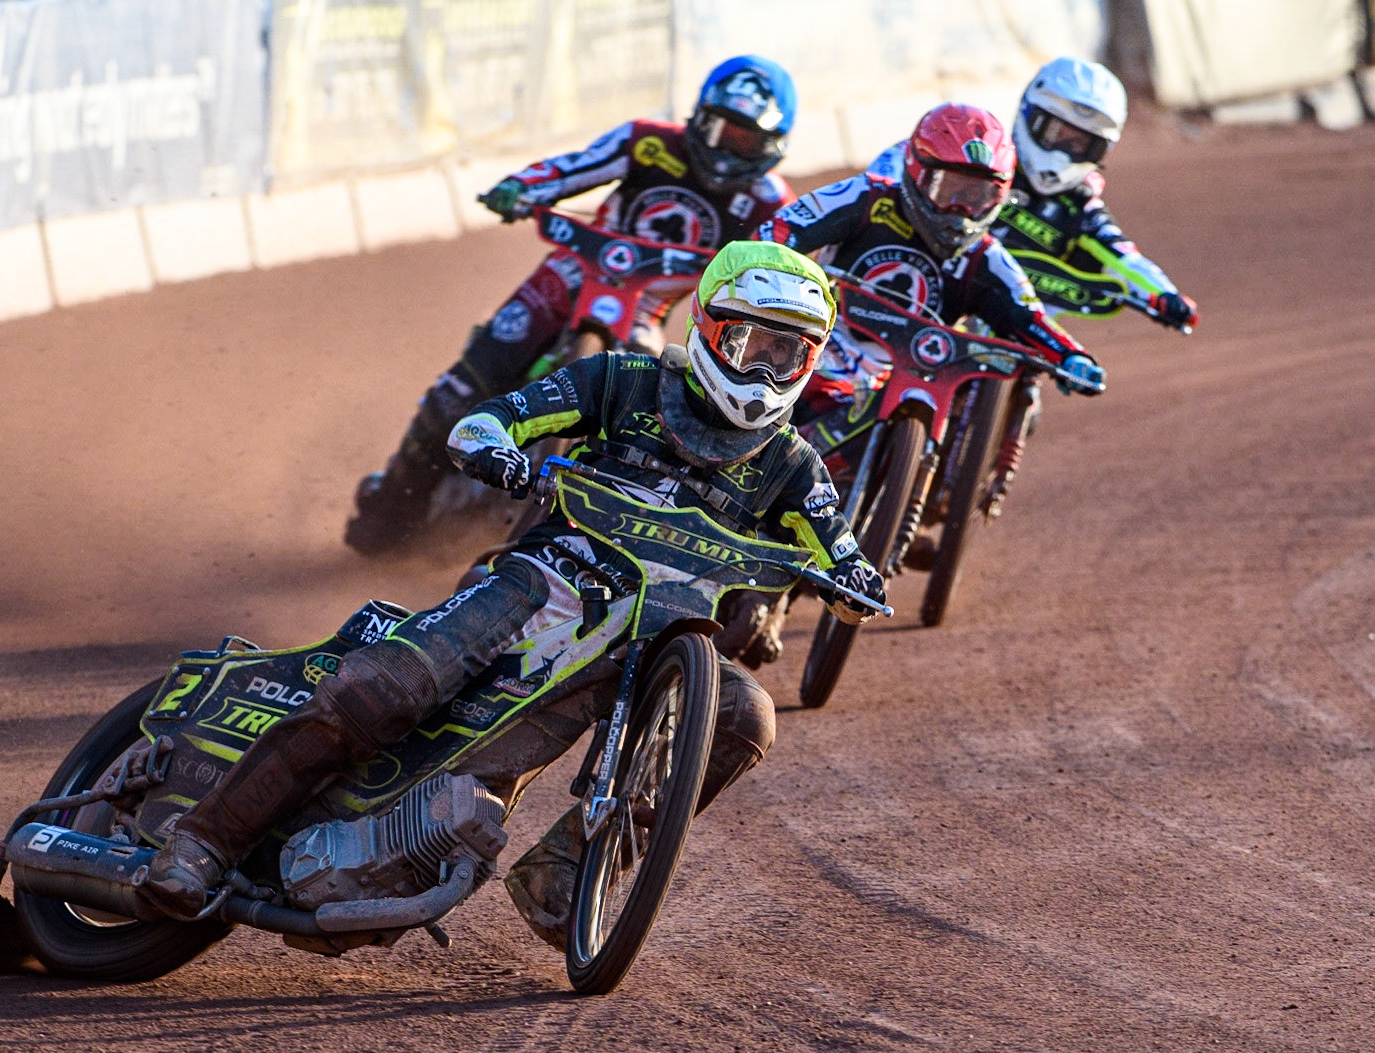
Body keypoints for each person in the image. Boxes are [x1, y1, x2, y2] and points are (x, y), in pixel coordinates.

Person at [142, 242, 887, 949]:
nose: (764, 370)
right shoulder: (622, 379)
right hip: (542, 583)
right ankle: (204, 842)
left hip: (652, 640)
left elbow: (847, 556)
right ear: (710, 329)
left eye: (787, 354)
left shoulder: (794, 466)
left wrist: (856, 580)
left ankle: (566, 870)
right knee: (386, 689)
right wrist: (496, 450)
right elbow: (490, 419)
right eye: (751, 344)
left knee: (746, 711)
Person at [345, 55, 801, 555]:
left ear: (771, 148)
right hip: (567, 276)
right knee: (457, 392)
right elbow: (574, 167)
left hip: (644, 309)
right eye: (720, 130)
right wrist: (522, 188)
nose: (725, 149)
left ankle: (595, 539)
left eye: (744, 140)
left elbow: (784, 266)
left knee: (649, 424)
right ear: (699, 117)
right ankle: (392, 503)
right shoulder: (647, 141)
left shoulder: (772, 204)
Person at [733, 102, 1102, 665]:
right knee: (742, 407)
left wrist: (1072, 357)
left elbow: (1031, 318)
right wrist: (765, 264)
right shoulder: (865, 199)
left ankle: (801, 578)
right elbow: (778, 231)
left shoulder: (987, 258)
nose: (960, 211)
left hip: (908, 380)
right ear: (915, 171)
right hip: (821, 350)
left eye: (979, 197)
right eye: (949, 189)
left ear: (1001, 198)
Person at [866, 59, 1197, 508]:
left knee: (1034, 396)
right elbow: (894, 174)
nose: (1063, 150)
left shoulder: (1082, 209)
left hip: (1019, 321)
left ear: (1100, 150)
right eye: (1057, 133)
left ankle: (983, 487)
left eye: (1081, 143)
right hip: (929, 298)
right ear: (1029, 115)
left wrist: (1164, 295)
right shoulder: (982, 158)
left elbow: (1124, 257)